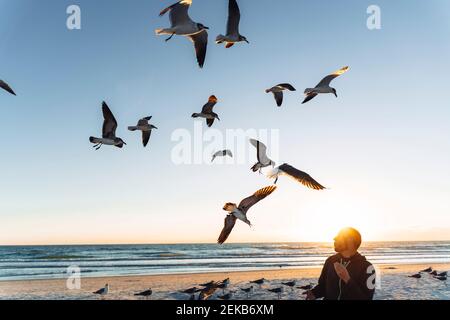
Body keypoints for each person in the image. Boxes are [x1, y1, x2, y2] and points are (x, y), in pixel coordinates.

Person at [306, 227, 375, 300]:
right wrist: (314, 293)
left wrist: (347, 279)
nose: (334, 239)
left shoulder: (368, 267)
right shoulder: (330, 261)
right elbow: (323, 286)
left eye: (339, 237)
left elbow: (366, 298)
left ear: (350, 241)